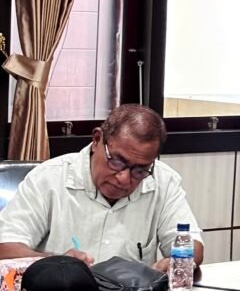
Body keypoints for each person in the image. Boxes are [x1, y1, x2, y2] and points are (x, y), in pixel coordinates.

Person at [0, 104, 203, 271]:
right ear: (97, 140)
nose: (124, 178)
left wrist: (174, 262)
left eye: (139, 170)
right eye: (117, 161)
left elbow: (192, 245)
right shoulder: (48, 178)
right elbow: (6, 248)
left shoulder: (163, 181)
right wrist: (57, 263)